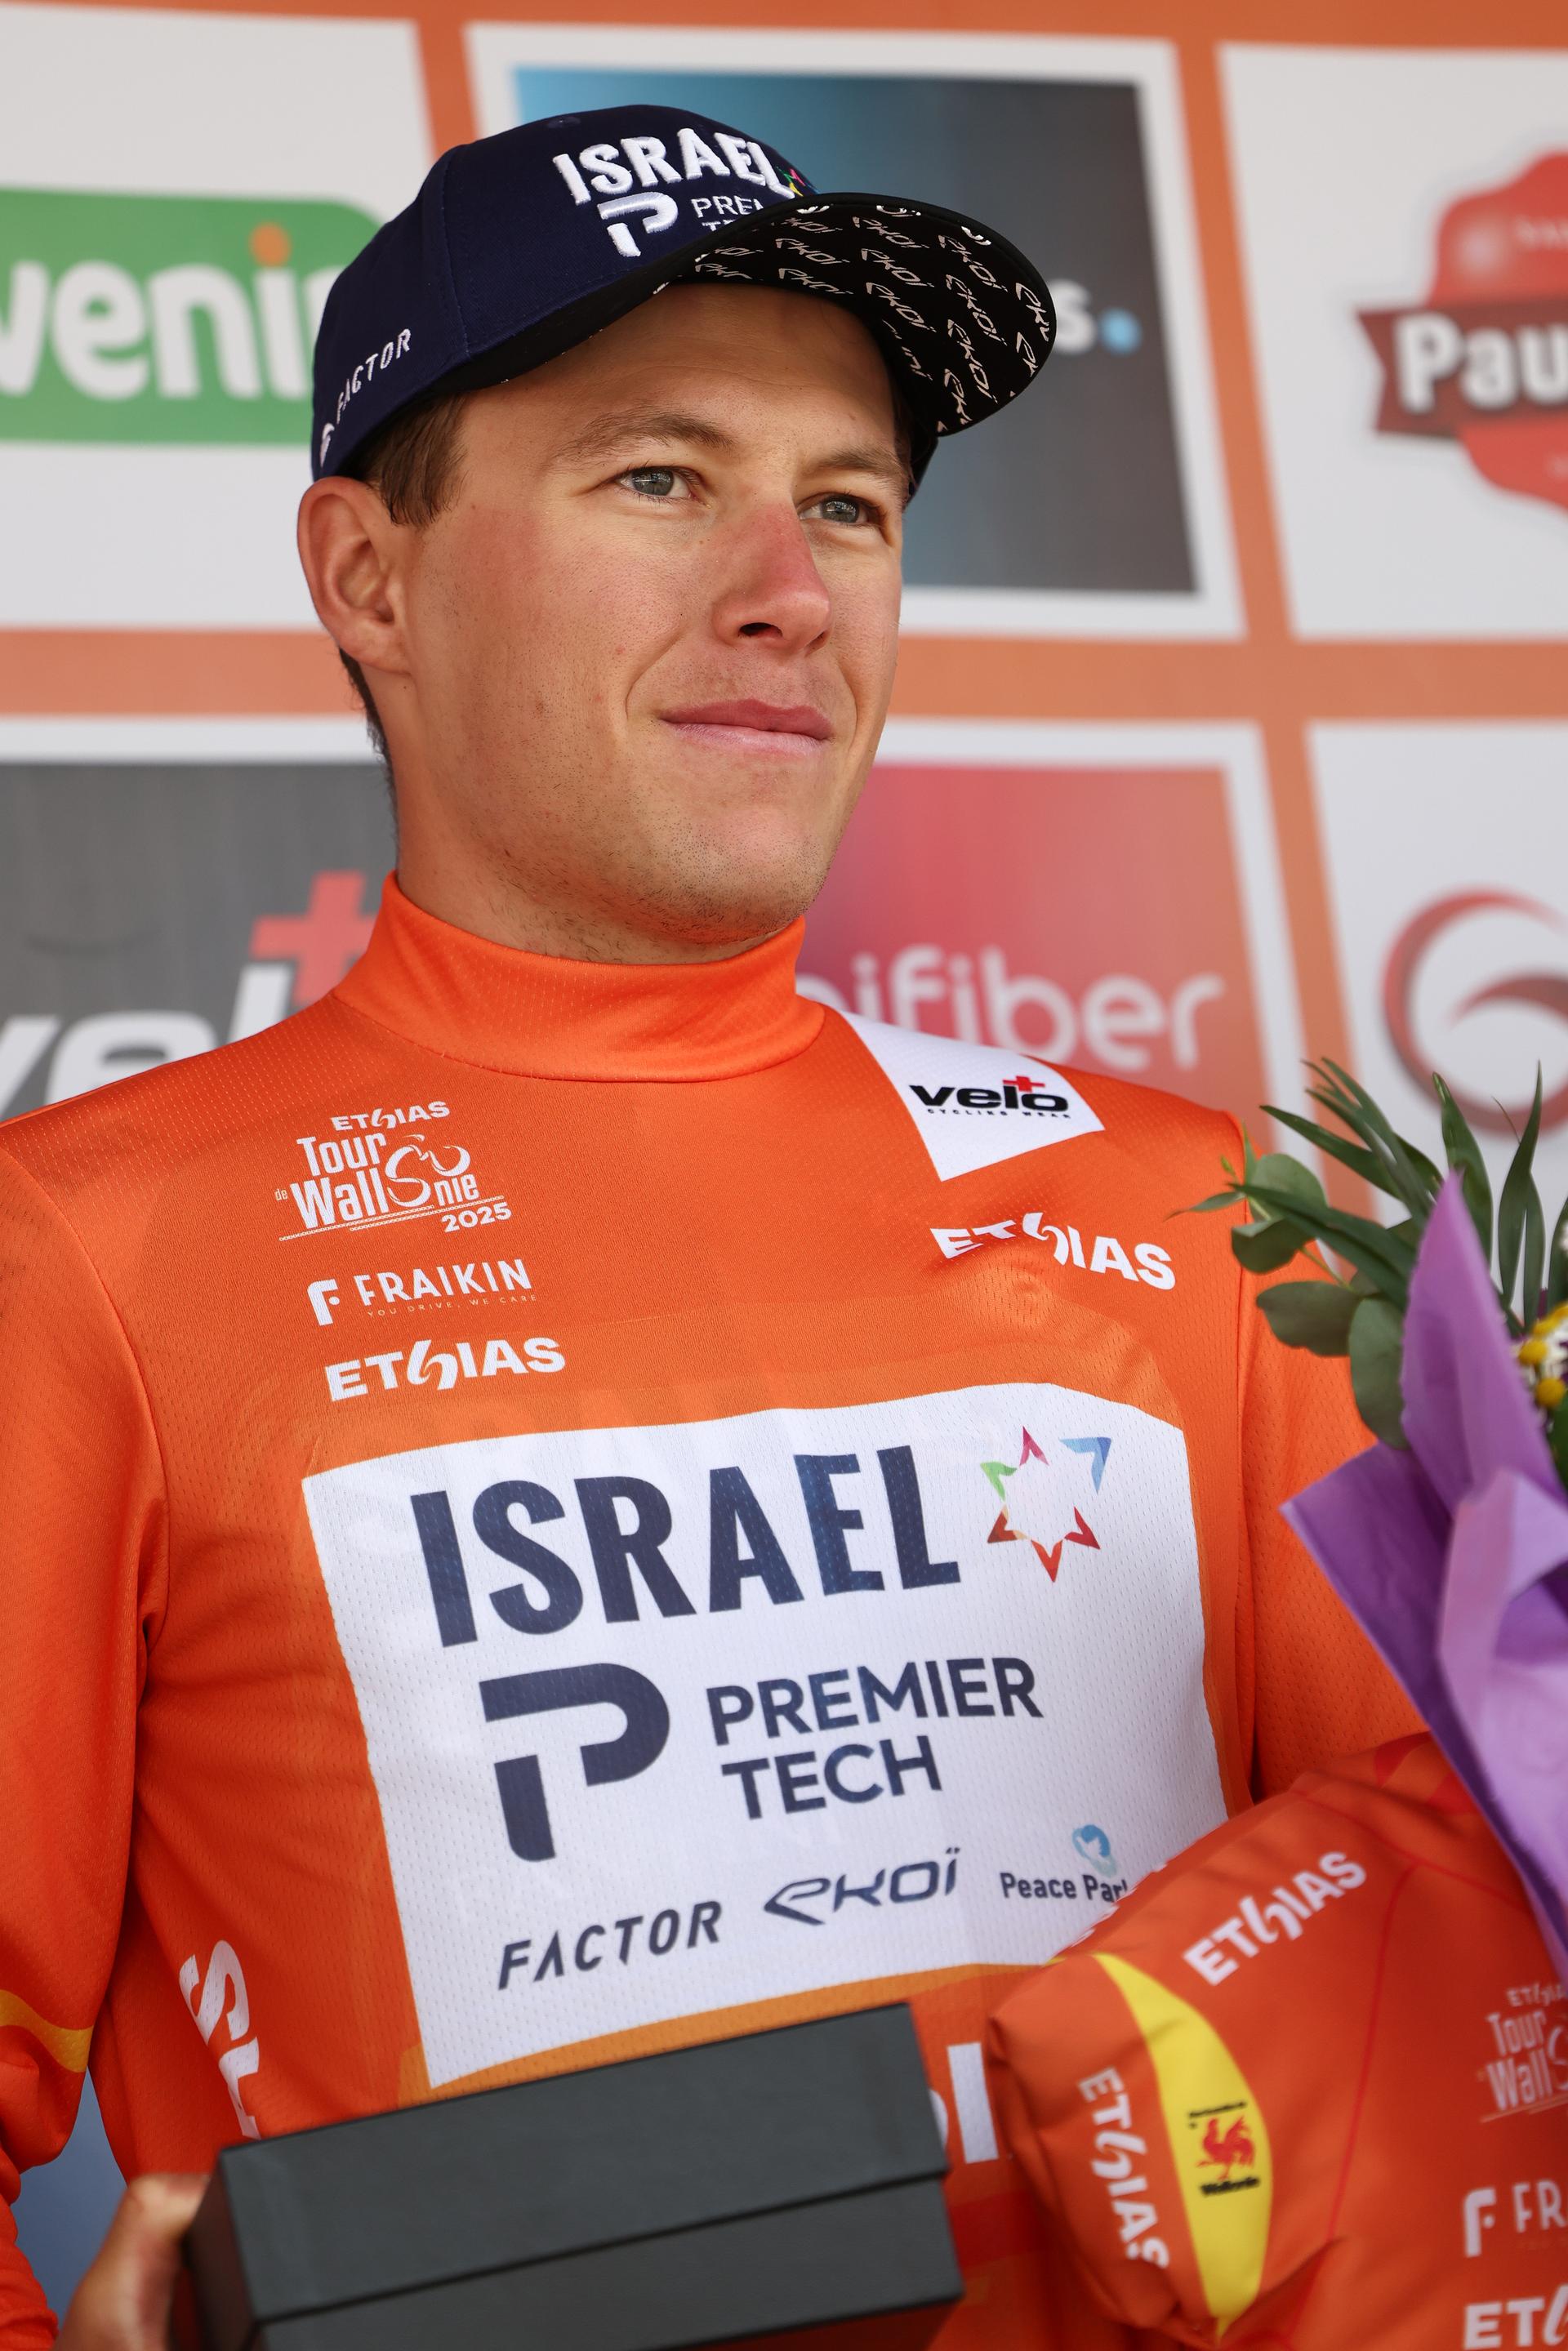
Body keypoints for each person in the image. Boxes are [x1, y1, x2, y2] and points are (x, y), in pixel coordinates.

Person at [1, 105, 1415, 2351]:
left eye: (845, 503)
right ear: (366, 577)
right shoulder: (82, 1249)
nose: (788, 586)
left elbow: (1447, 1986)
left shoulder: (1199, 1209)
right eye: (660, 478)